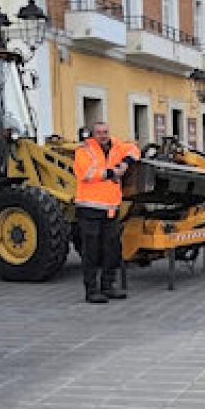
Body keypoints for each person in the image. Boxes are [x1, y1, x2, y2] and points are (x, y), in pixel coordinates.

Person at [73, 122, 140, 303]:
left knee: (111, 249)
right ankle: (91, 290)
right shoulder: (84, 150)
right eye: (99, 132)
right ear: (93, 134)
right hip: (90, 209)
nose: (103, 135)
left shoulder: (116, 146)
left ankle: (108, 286)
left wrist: (126, 163)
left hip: (111, 208)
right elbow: (85, 173)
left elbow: (134, 149)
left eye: (105, 132)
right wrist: (111, 173)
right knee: (91, 251)